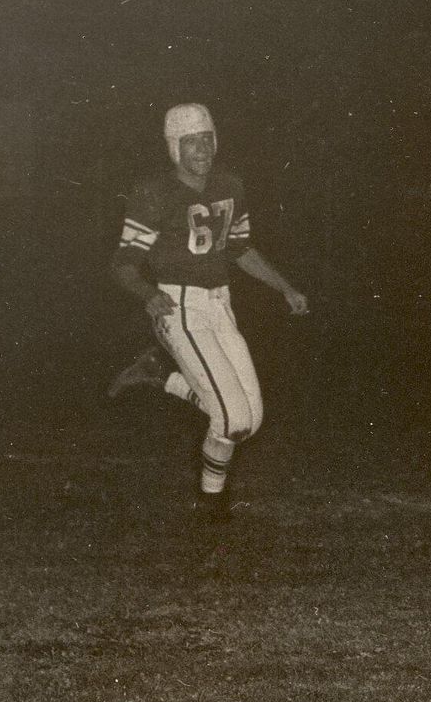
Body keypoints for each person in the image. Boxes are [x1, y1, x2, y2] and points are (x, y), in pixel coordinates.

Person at [106, 104, 310, 522]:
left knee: (250, 421)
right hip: (179, 307)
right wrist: (148, 294)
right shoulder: (154, 192)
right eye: (190, 142)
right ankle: (211, 502)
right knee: (232, 418)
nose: (201, 149)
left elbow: (240, 249)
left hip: (220, 305)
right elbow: (123, 263)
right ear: (174, 148)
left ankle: (160, 377)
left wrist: (285, 287)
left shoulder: (229, 185)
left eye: (206, 140)